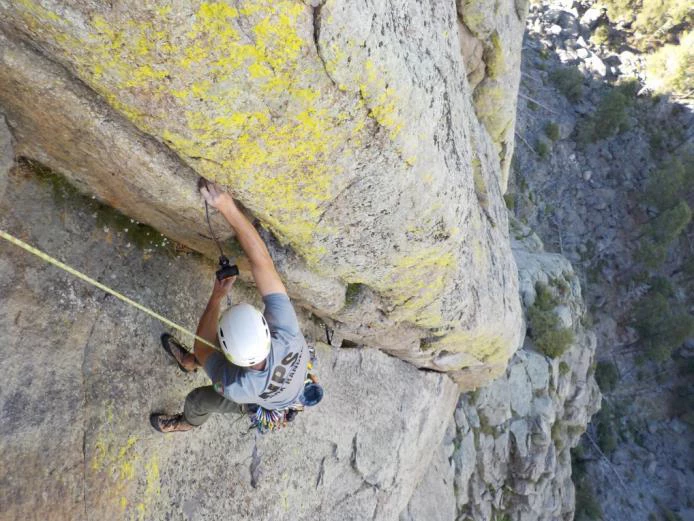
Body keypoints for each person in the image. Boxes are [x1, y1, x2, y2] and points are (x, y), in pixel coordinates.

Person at [150, 180, 310, 433]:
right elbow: (263, 264)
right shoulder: (287, 332)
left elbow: (204, 347)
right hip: (291, 380)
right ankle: (190, 364)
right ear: (267, 329)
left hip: (261, 401)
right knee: (206, 361)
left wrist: (217, 296)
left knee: (198, 400)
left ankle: (186, 423)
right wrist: (227, 206)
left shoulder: (239, 388)